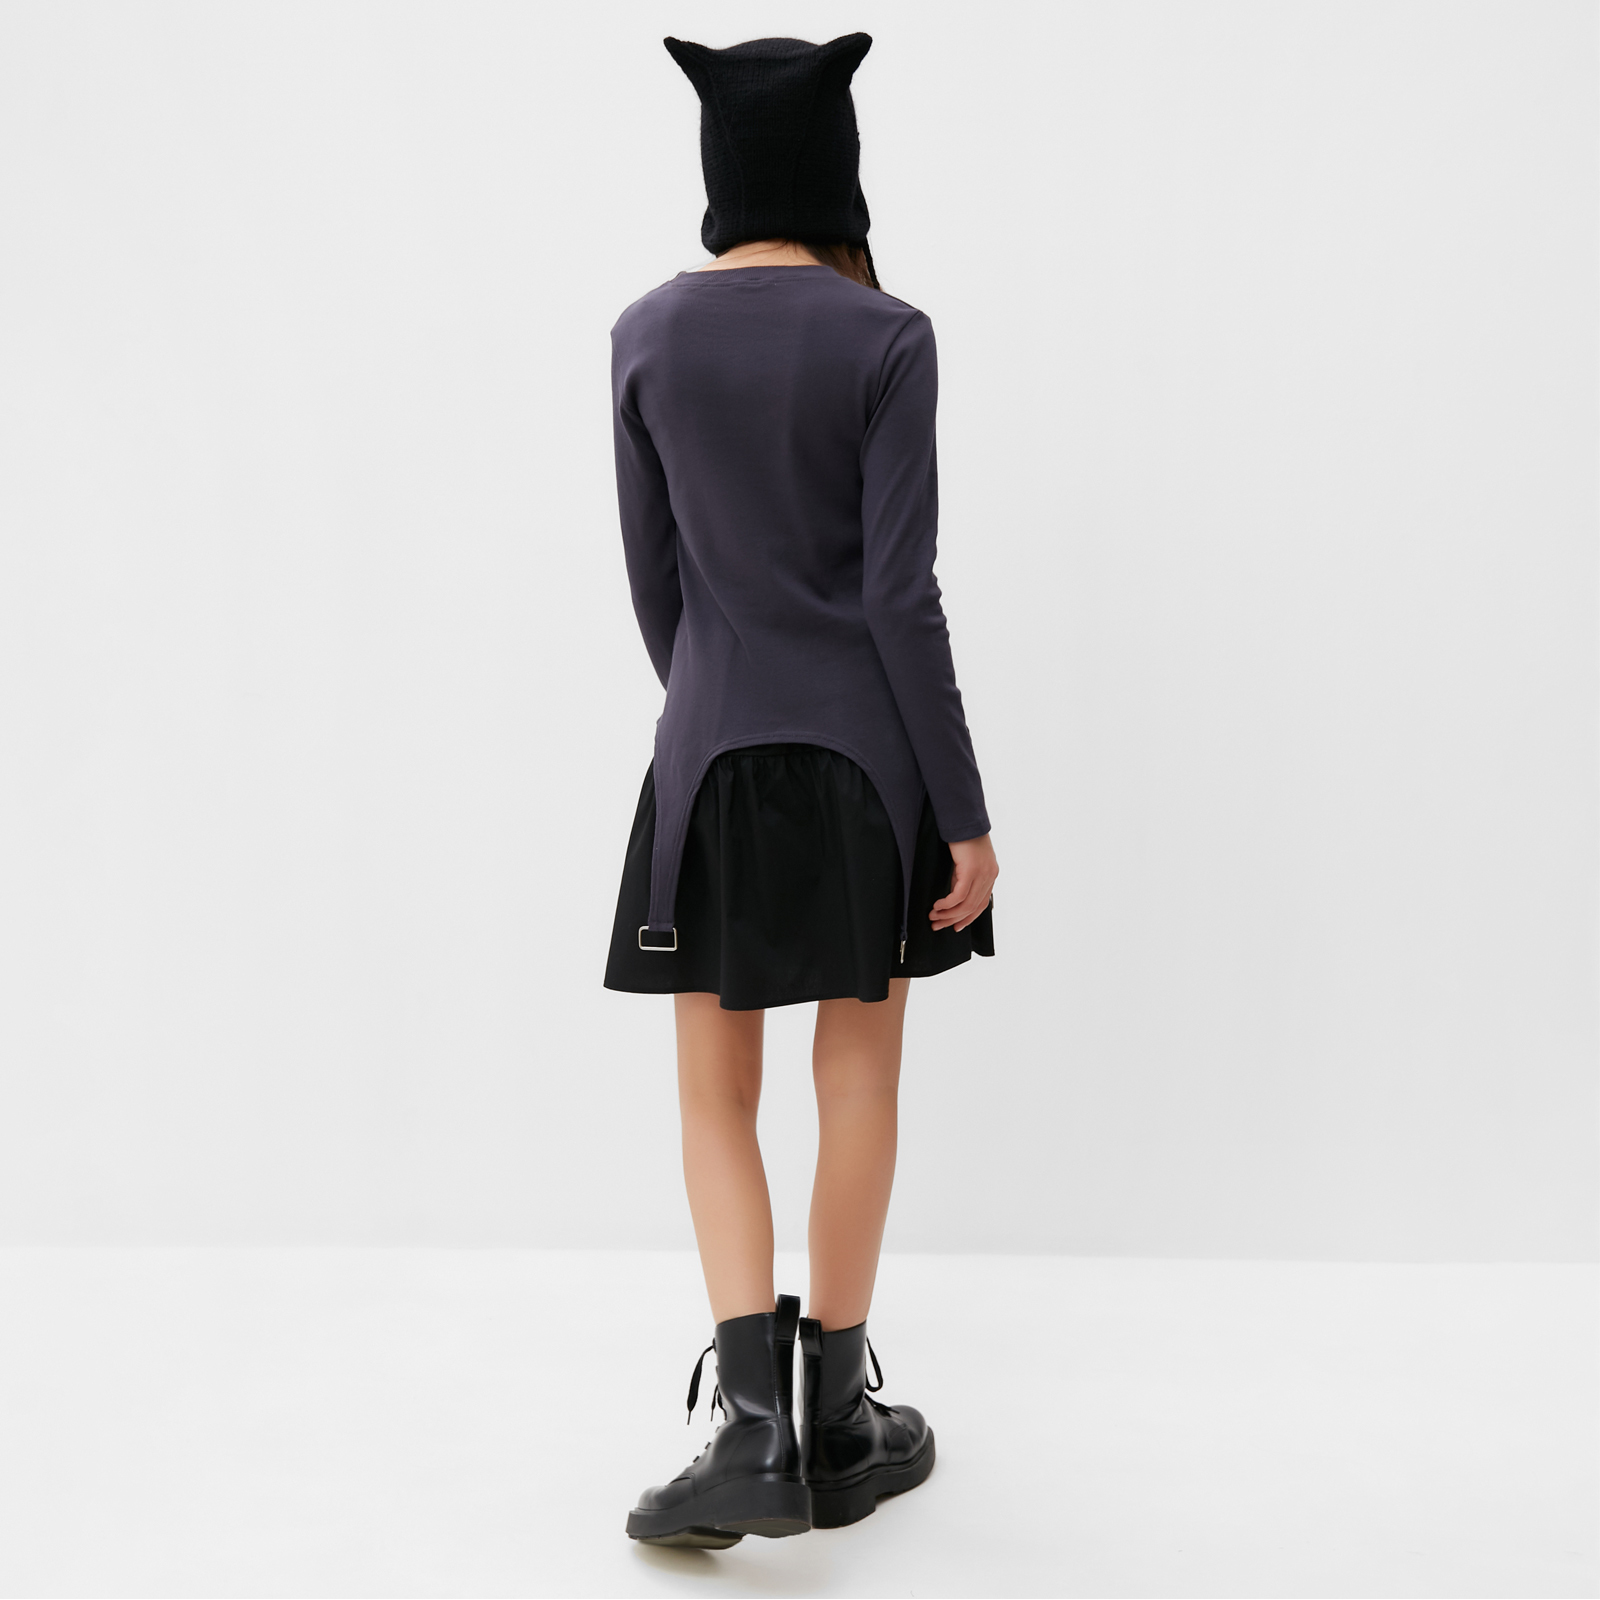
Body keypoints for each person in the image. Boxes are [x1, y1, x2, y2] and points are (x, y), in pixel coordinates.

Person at [604, 31, 998, 1549]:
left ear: (719, 172)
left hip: (704, 758)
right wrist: (962, 814)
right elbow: (903, 596)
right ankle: (837, 1417)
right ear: (839, 170)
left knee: (716, 1090)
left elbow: (656, 588)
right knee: (858, 1082)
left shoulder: (646, 334)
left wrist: (715, 693)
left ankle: (752, 1429)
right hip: (866, 773)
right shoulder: (889, 336)